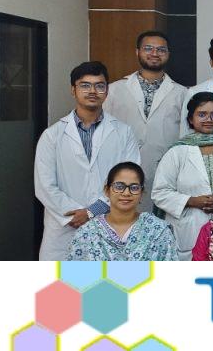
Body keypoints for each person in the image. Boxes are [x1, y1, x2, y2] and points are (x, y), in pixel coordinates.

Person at [35, 62, 141, 260]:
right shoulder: (52, 135)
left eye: (99, 85)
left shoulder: (124, 132)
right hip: (65, 228)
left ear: (107, 91)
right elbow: (45, 186)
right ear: (73, 90)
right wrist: (77, 214)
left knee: (107, 279)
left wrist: (92, 211)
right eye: (85, 85)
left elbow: (130, 180)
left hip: (110, 223)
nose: (93, 91)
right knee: (61, 279)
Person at [154, 92, 213, 260]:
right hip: (188, 227)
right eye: (202, 114)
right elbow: (159, 192)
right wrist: (192, 201)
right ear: (190, 119)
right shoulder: (176, 151)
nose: (209, 119)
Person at [104, 31, 188, 213]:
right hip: (121, 168)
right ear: (137, 52)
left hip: (164, 170)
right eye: (148, 48)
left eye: (161, 50)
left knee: (158, 221)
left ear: (168, 54)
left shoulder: (182, 93)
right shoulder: (114, 90)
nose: (154, 53)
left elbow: (186, 136)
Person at [67, 162, 177, 261]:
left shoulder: (158, 231)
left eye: (134, 187)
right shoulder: (87, 233)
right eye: (119, 186)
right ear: (107, 190)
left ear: (142, 193)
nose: (126, 193)